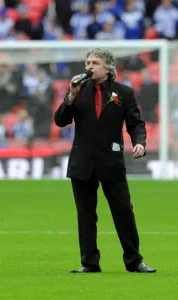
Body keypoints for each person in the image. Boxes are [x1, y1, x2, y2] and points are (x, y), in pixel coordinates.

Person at [54, 48, 156, 273]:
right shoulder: (78, 91)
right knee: (86, 216)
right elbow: (61, 121)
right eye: (87, 62)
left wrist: (139, 142)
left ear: (108, 68)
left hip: (111, 162)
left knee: (124, 213)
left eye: (95, 63)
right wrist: (70, 96)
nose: (89, 66)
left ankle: (134, 261)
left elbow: (136, 124)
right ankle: (89, 263)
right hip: (83, 163)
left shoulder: (124, 93)